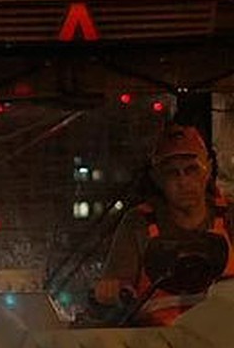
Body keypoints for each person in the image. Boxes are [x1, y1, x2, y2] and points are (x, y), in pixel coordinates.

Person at [94, 123, 234, 324]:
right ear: (156, 177)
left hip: (223, 344)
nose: (183, 181)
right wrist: (109, 291)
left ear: (209, 170)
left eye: (192, 169)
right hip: (157, 345)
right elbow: (115, 288)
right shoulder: (139, 224)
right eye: (172, 173)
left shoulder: (230, 216)